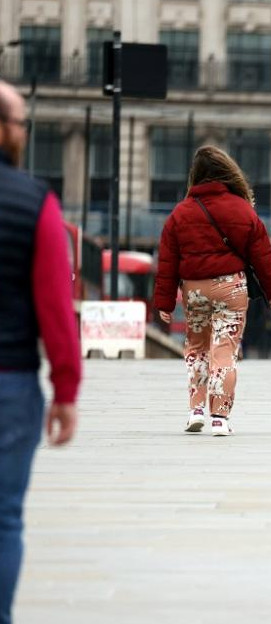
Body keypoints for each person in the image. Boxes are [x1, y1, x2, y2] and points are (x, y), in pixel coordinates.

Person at [0, 79, 81, 624]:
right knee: (3, 519)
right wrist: (66, 389)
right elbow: (55, 303)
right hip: (9, 382)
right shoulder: (33, 201)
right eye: (22, 122)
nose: (25, 132)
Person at [153, 146, 271, 437]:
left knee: (197, 349)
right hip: (230, 288)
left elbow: (168, 260)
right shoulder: (242, 209)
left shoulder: (180, 213)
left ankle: (196, 410)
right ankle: (219, 418)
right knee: (224, 350)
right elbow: (263, 257)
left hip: (194, 290)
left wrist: (163, 301)